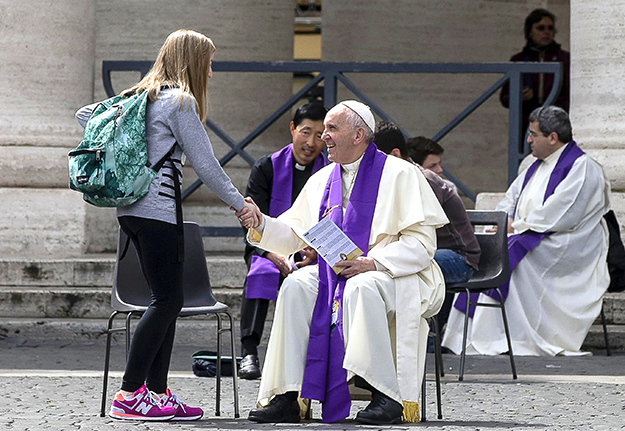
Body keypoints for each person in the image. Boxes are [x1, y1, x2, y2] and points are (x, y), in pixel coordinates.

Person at [76, 29, 258, 421]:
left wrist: (127, 148)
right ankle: (129, 394)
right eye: (208, 63)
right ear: (192, 61)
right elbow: (206, 164)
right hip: (157, 210)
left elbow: (86, 115)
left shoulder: (135, 98)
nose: (211, 72)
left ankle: (155, 395)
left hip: (130, 212)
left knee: (167, 299)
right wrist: (239, 204)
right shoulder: (179, 101)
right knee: (167, 301)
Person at [242, 100, 449, 424]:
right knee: (296, 285)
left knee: (361, 286)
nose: (323, 136)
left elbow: (422, 245)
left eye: (331, 128)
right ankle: (289, 396)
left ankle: (386, 395)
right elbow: (296, 232)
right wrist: (260, 223)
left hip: (395, 272)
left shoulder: (402, 174)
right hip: (335, 272)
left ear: (358, 134)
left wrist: (374, 262)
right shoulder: (323, 178)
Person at [442, 106, 611, 356]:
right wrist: (501, 222)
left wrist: (516, 227)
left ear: (552, 138)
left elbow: (564, 212)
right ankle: (467, 337)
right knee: (491, 247)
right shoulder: (533, 164)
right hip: (531, 234)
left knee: (509, 251)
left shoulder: (583, 167)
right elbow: (511, 199)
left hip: (569, 243)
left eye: (533, 134)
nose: (529, 140)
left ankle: (503, 336)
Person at [239, 102, 328, 380]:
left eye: (319, 135)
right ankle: (249, 351)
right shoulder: (267, 167)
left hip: (313, 251)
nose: (311, 143)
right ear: (292, 129)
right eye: (305, 132)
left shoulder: (330, 172)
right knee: (262, 271)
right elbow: (255, 221)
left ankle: (311, 355)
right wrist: (273, 253)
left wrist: (315, 250)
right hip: (267, 249)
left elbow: (333, 217)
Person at [374, 122, 480, 332]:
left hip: (459, 258)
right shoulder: (394, 179)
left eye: (375, 159)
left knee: (404, 269)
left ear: (395, 155)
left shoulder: (422, 179)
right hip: (428, 253)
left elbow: (412, 234)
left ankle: (424, 338)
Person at [499, 8, 570, 134]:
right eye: (540, 28)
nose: (546, 32)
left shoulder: (564, 59)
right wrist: (519, 96)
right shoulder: (518, 60)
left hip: (556, 126)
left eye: (550, 28)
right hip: (527, 126)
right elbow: (505, 99)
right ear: (530, 31)